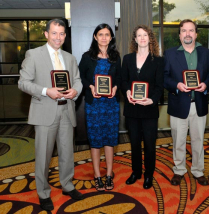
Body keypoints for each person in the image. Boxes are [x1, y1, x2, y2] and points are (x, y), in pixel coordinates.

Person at [18, 19, 83, 211]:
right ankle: (43, 192)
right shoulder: (33, 54)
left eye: (62, 34)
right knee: (44, 155)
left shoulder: (70, 58)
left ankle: (67, 185)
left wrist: (75, 91)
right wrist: (47, 90)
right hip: (45, 111)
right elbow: (23, 83)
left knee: (66, 153)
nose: (58, 37)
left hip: (66, 110)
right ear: (46, 34)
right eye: (54, 33)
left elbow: (78, 80)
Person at [164, 19, 209, 186]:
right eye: (184, 31)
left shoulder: (207, 53)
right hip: (178, 104)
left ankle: (197, 170)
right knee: (178, 141)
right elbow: (164, 77)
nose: (187, 34)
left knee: (198, 141)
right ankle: (179, 170)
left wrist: (206, 84)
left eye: (191, 30)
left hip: (199, 104)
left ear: (196, 34)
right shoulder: (170, 54)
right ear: (180, 35)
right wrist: (177, 85)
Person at [79, 24, 121, 192]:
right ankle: (97, 175)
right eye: (101, 34)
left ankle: (109, 174)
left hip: (111, 105)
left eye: (107, 34)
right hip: (94, 105)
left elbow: (119, 77)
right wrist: (90, 86)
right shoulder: (87, 57)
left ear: (111, 37)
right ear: (95, 37)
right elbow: (79, 76)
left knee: (110, 140)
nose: (104, 37)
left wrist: (116, 87)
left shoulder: (116, 56)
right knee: (96, 141)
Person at [121, 25, 164, 189]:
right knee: (134, 143)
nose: (142, 38)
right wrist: (127, 92)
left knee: (149, 144)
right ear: (135, 39)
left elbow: (160, 86)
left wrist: (151, 100)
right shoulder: (127, 58)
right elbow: (123, 81)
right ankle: (136, 172)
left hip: (149, 109)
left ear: (150, 38)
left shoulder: (158, 60)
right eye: (139, 35)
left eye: (145, 35)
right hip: (132, 108)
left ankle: (148, 175)